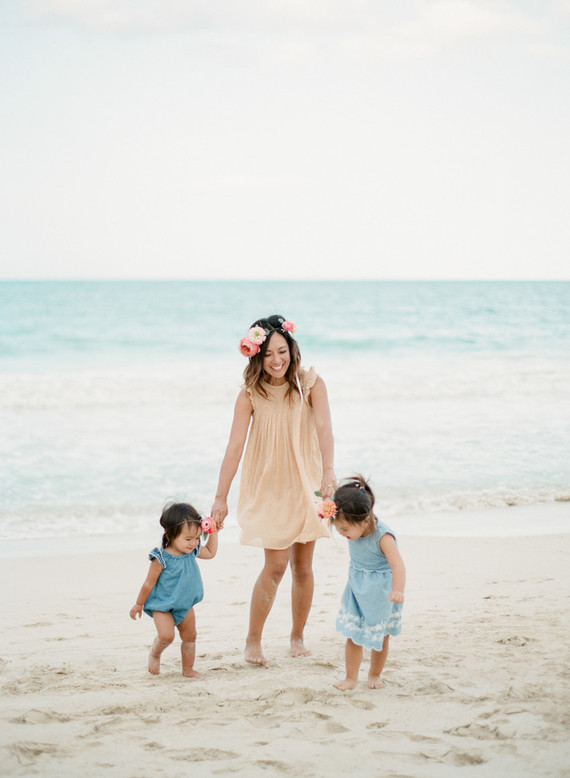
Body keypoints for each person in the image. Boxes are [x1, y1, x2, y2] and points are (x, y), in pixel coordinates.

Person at [210, 314, 336, 665]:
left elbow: (325, 429)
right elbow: (234, 447)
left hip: (306, 482)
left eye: (282, 351)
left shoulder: (310, 384)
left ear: (291, 349)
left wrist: (328, 472)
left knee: (304, 566)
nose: (276, 360)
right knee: (276, 564)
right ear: (256, 356)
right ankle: (253, 641)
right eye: (268, 354)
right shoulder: (251, 394)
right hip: (268, 486)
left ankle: (297, 636)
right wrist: (220, 498)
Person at [322, 475, 405, 690]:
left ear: (365, 521)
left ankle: (374, 675)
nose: (342, 534)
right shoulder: (352, 527)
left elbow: (398, 565)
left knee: (380, 636)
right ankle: (351, 678)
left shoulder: (383, 537)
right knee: (353, 635)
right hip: (357, 589)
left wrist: (398, 589)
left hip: (381, 592)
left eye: (345, 530)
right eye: (338, 529)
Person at [130, 502, 219, 677]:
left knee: (190, 636)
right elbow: (148, 583)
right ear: (170, 535)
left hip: (185, 604)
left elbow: (210, 552)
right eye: (188, 539)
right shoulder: (161, 557)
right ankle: (155, 654)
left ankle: (188, 669)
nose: (193, 543)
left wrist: (213, 532)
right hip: (162, 605)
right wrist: (139, 604)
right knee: (166, 636)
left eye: (197, 538)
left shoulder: (192, 551)